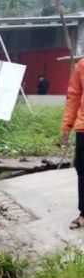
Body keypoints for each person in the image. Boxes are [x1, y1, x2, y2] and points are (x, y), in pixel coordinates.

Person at [62, 60, 84, 229]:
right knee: (82, 169)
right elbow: (74, 96)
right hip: (83, 127)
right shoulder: (82, 65)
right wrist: (67, 126)